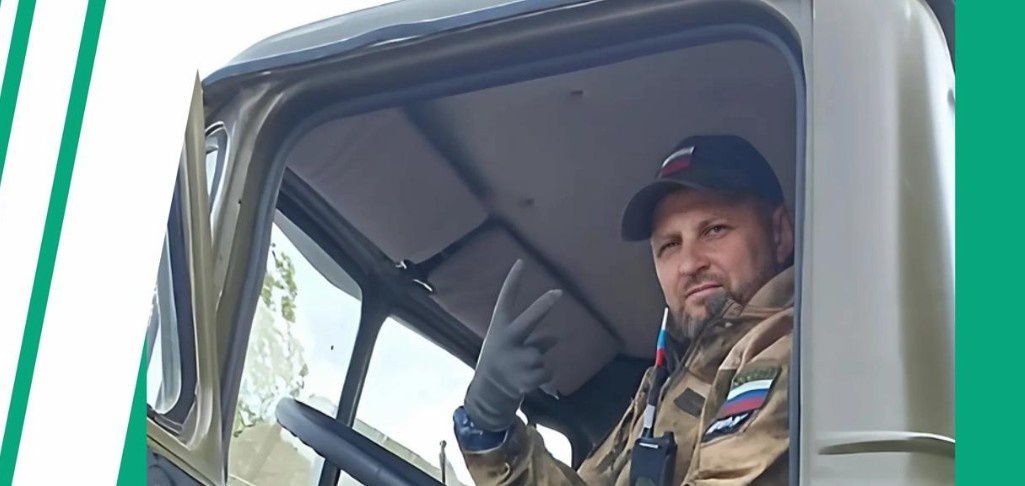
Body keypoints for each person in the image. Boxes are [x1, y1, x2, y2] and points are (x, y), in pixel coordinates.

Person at [451, 135, 795, 485]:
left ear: (780, 233)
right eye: (670, 245)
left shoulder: (790, 351)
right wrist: (490, 432)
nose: (689, 263)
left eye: (715, 230)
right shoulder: (664, 380)